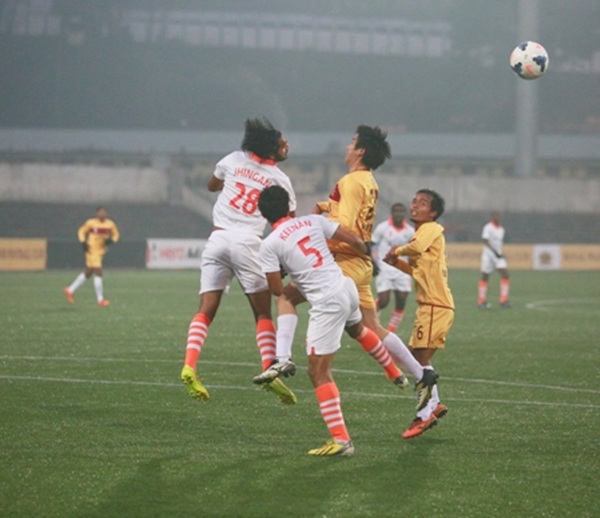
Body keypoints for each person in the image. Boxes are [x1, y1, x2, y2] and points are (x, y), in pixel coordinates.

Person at [260, 125, 438, 410]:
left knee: (286, 297)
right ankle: (421, 374)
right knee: (371, 328)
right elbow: (345, 214)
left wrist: (318, 234)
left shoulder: (352, 181)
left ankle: (281, 359)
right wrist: (322, 206)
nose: (347, 146)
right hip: (361, 265)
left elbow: (346, 226)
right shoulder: (367, 180)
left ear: (361, 150)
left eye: (352, 142)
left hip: (345, 263)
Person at [257, 185, 401, 456]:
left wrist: (286, 268)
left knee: (317, 372)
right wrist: (365, 257)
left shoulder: (270, 244)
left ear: (264, 215)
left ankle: (342, 440)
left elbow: (277, 290)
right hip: (345, 285)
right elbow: (355, 241)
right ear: (290, 206)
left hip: (327, 302)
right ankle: (394, 371)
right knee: (358, 329)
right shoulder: (312, 221)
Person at [180, 117, 297, 405]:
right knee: (262, 313)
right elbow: (286, 223)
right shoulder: (280, 179)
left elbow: (211, 185)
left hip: (217, 240)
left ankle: (189, 365)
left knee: (206, 309)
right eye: (283, 143)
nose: (287, 145)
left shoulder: (233, 159)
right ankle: (270, 370)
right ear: (272, 149)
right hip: (248, 243)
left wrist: (233, 180)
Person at [383, 189, 454, 439]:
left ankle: (424, 416)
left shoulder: (431, 229)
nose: (415, 206)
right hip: (430, 306)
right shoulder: (420, 233)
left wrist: (398, 251)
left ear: (432, 213)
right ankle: (434, 405)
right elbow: (417, 272)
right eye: (414, 201)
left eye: (422, 203)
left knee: (418, 362)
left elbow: (417, 247)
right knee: (417, 359)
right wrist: (396, 263)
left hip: (436, 306)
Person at [371, 202, 415, 332]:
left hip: (403, 269)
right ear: (392, 213)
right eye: (396, 211)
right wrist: (374, 262)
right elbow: (373, 244)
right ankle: (370, 321)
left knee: (401, 300)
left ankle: (390, 332)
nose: (399, 214)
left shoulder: (410, 231)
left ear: (405, 214)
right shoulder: (382, 228)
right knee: (384, 301)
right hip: (384, 268)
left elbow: (413, 250)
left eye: (401, 211)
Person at [63, 206, 119, 307]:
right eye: (100, 212)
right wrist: (83, 242)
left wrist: (111, 241)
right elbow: (81, 231)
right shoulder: (91, 223)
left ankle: (70, 290)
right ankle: (100, 300)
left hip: (101, 251)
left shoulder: (110, 224)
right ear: (97, 214)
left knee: (89, 272)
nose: (102, 214)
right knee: (98, 272)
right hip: (91, 250)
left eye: (104, 212)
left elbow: (116, 235)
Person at [478, 211, 511, 309]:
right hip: (488, 256)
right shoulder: (488, 227)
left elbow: (498, 244)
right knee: (485, 277)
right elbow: (485, 241)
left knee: (505, 274)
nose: (497, 218)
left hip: (498, 256)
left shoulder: (501, 229)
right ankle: (481, 301)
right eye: (495, 216)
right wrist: (494, 251)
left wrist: (500, 253)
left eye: (499, 216)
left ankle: (503, 300)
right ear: (492, 217)